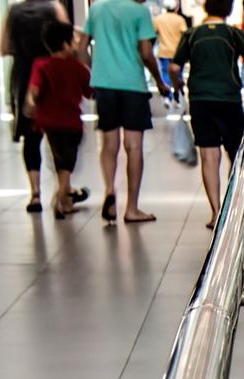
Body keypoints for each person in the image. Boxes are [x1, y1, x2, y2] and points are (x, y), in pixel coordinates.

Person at [173, 0, 244, 226]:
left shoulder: (191, 34)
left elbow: (174, 67)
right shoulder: (232, 34)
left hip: (200, 99)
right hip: (228, 99)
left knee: (208, 155)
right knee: (235, 155)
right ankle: (232, 207)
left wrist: (178, 86)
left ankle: (215, 213)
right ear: (229, 9)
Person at [82, 0, 163, 224]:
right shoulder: (139, 12)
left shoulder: (97, 8)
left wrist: (95, 73)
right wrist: (160, 80)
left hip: (105, 85)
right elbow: (146, 53)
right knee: (133, 146)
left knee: (109, 144)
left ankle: (109, 190)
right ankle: (132, 208)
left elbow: (81, 48)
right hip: (133, 86)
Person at [1, 0, 75, 212]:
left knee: (31, 138)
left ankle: (34, 193)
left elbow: (4, 48)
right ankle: (63, 194)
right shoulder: (55, 8)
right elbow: (66, 41)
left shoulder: (13, 11)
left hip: (23, 76)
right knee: (60, 137)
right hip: (52, 74)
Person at [27, 22, 93, 219]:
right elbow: (90, 92)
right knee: (68, 161)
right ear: (65, 45)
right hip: (71, 122)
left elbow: (35, 90)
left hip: (48, 122)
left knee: (59, 160)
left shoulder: (41, 64)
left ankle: (64, 200)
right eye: (73, 41)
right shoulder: (77, 68)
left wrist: (31, 102)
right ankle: (61, 196)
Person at [152, 1, 191, 99]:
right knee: (178, 74)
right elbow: (185, 35)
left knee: (165, 74)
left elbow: (153, 34)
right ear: (176, 8)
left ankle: (167, 96)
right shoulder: (180, 20)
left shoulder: (158, 19)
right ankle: (179, 95)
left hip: (164, 51)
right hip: (177, 53)